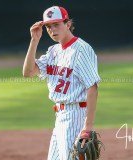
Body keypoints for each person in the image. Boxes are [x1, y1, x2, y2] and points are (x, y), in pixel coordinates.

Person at [23, 6, 101, 160]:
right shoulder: (53, 51)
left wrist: (87, 128)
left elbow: (92, 88)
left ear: (68, 24)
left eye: (56, 24)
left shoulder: (81, 49)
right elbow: (28, 72)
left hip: (75, 115)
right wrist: (34, 40)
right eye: (48, 26)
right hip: (60, 117)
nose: (52, 29)